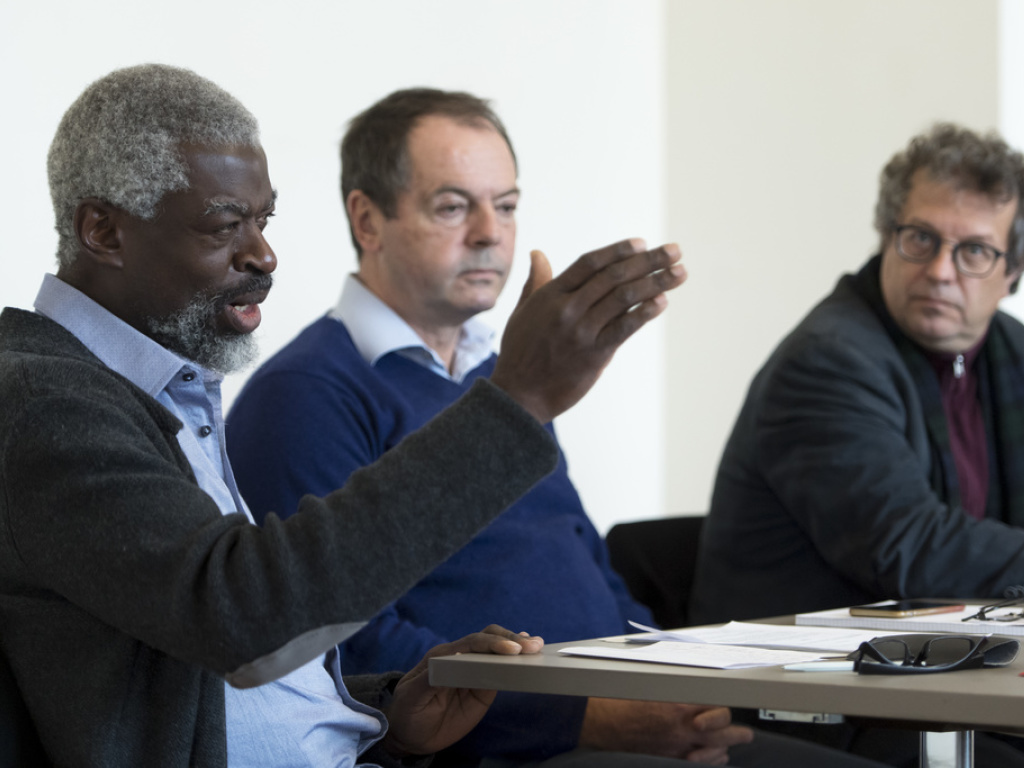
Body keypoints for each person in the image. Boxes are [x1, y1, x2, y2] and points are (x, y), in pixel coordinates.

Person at [0, 65, 687, 768]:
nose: (264, 254)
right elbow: (240, 612)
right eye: (224, 224)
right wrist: (519, 402)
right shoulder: (44, 402)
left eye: (263, 220)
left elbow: (236, 670)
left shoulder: (156, 387)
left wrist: (390, 711)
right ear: (103, 231)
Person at [227, 87, 885, 768]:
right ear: (368, 219)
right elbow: (336, 644)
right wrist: (588, 719)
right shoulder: (306, 393)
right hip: (508, 748)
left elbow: (582, 560)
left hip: (623, 720)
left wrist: (674, 677)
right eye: (453, 206)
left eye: (506, 206)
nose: (490, 232)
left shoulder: (500, 373)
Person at [691, 123, 1024, 766]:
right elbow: (911, 547)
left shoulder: (1006, 354)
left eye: (975, 250)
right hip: (807, 704)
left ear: (1011, 272)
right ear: (886, 236)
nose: (939, 271)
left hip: (931, 679)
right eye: (920, 238)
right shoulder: (829, 360)